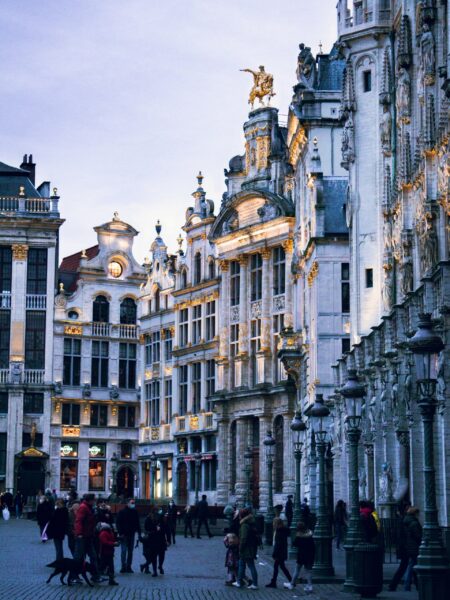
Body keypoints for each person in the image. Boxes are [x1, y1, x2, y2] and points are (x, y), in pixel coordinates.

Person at [74, 493, 101, 583]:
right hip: (83, 536)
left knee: (93, 556)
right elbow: (79, 521)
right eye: (94, 500)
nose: (95, 501)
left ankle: (95, 575)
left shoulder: (89, 507)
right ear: (90, 500)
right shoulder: (83, 507)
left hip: (88, 536)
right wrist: (79, 533)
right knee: (79, 557)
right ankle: (75, 575)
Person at [284, 521, 315, 592]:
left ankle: (291, 584)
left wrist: (296, 535)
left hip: (301, 555)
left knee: (297, 570)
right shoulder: (310, 534)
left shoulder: (299, 536)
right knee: (308, 570)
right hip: (309, 555)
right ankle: (310, 586)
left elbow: (294, 544)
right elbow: (313, 546)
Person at [232, 508, 259, 590]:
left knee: (250, 565)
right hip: (250, 548)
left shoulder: (244, 525)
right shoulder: (250, 523)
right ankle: (239, 582)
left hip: (246, 549)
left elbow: (243, 538)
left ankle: (254, 584)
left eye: (240, 515)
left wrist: (240, 548)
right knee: (241, 565)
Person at [389, 504, 410, 592]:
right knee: (405, 567)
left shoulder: (401, 520)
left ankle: (399, 585)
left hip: (405, 547)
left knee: (408, 567)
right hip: (406, 548)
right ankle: (394, 585)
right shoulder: (405, 520)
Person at [116, 498, 141, 573]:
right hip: (124, 534)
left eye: (133, 503)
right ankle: (123, 566)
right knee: (124, 551)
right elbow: (118, 523)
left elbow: (137, 523)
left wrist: (139, 533)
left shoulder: (135, 512)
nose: (133, 504)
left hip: (131, 534)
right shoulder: (122, 512)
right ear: (127, 503)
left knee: (130, 551)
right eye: (132, 502)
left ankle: (129, 566)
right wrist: (120, 533)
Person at [266, 517, 292, 588]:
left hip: (279, 553)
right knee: (280, 567)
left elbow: (278, 544)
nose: (273, 524)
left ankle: (290, 581)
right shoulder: (283, 530)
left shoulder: (279, 531)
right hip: (282, 551)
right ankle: (274, 582)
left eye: (274, 523)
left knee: (280, 567)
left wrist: (274, 554)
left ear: (276, 523)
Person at [403, 507, 422, 591]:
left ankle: (413, 585)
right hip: (414, 546)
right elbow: (417, 535)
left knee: (412, 565)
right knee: (412, 566)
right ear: (415, 513)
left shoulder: (407, 520)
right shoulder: (414, 523)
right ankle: (407, 585)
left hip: (409, 546)